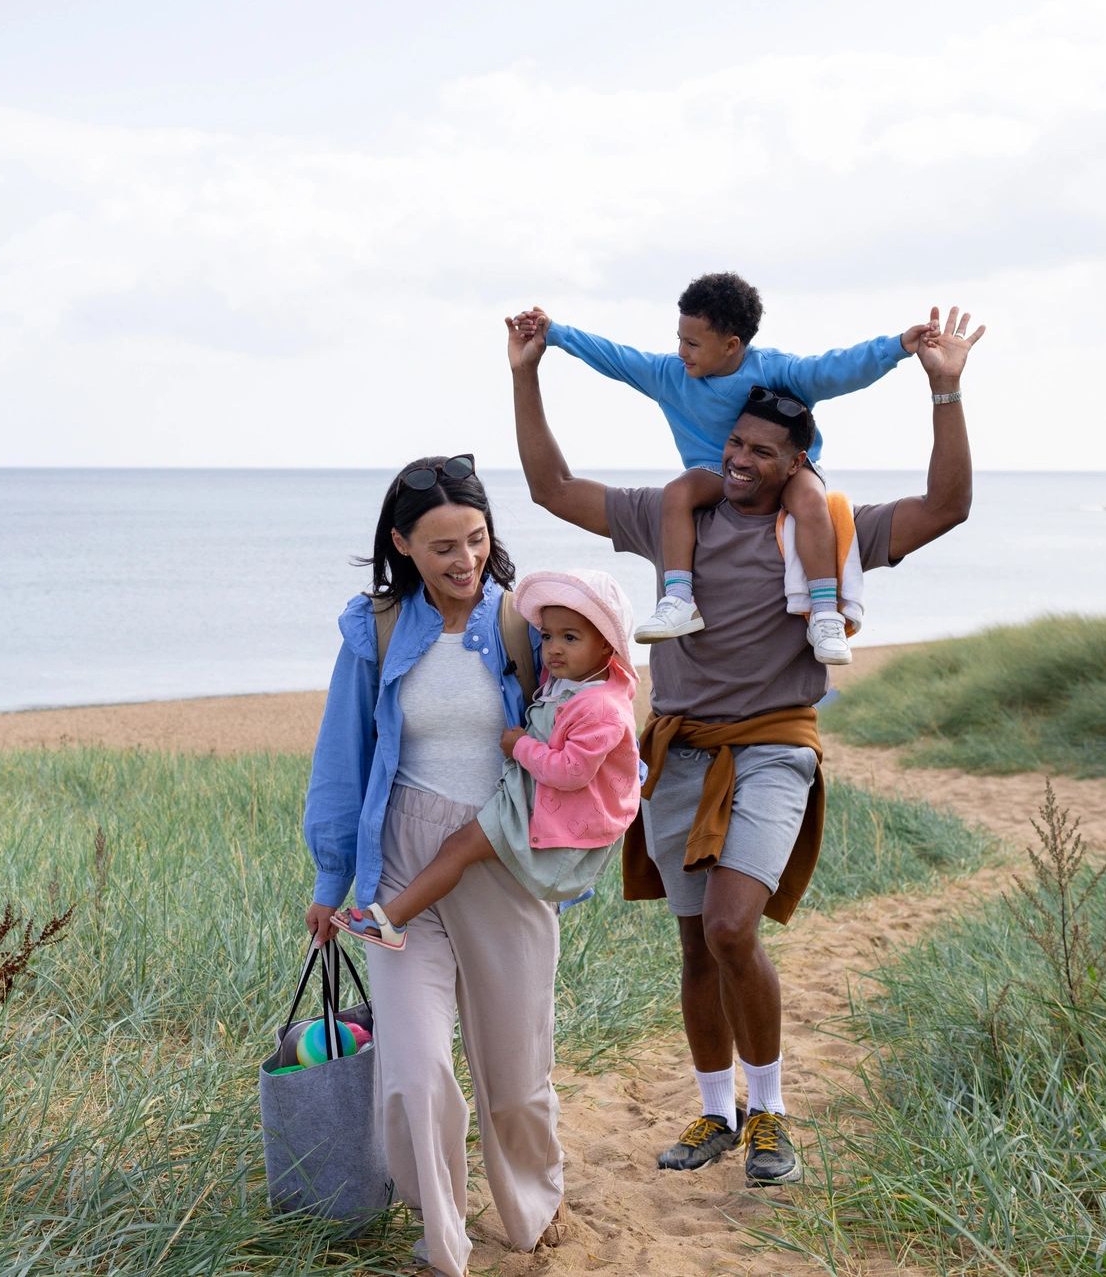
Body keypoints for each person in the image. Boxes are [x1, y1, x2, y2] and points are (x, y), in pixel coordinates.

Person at [505, 304, 986, 1187]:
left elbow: (946, 506)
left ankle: (770, 1114)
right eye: (737, 445)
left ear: (799, 462)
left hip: (772, 749)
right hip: (680, 752)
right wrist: (527, 374)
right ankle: (716, 1111)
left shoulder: (824, 527)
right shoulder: (670, 518)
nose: (741, 460)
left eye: (764, 451)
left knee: (734, 927)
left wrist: (945, 391)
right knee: (696, 945)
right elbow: (551, 488)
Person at [301, 454, 564, 1276]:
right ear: (402, 544)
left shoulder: (529, 623)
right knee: (414, 1072)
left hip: (502, 857)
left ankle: (530, 1202)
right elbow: (342, 757)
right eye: (443, 546)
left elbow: (591, 726)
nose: (464, 561)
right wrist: (330, 879)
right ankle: (441, 1231)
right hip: (400, 867)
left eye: (477, 540)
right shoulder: (376, 628)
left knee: (515, 1072)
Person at [513, 274, 933, 665]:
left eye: (693, 344)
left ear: (732, 345)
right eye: (679, 339)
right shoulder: (669, 375)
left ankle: (825, 613)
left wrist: (895, 347)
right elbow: (616, 357)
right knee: (678, 492)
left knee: (811, 500)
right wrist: (557, 334)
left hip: (784, 473)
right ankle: (678, 599)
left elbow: (837, 369)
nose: (682, 352)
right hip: (713, 474)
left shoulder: (777, 370)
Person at [335, 568, 641, 949]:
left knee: (458, 849)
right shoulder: (574, 683)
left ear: (607, 646)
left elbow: (572, 771)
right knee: (458, 851)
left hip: (546, 814)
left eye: (570, 637)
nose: (554, 648)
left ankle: (393, 919)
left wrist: (520, 747)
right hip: (527, 802)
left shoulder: (601, 707)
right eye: (547, 636)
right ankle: (394, 917)